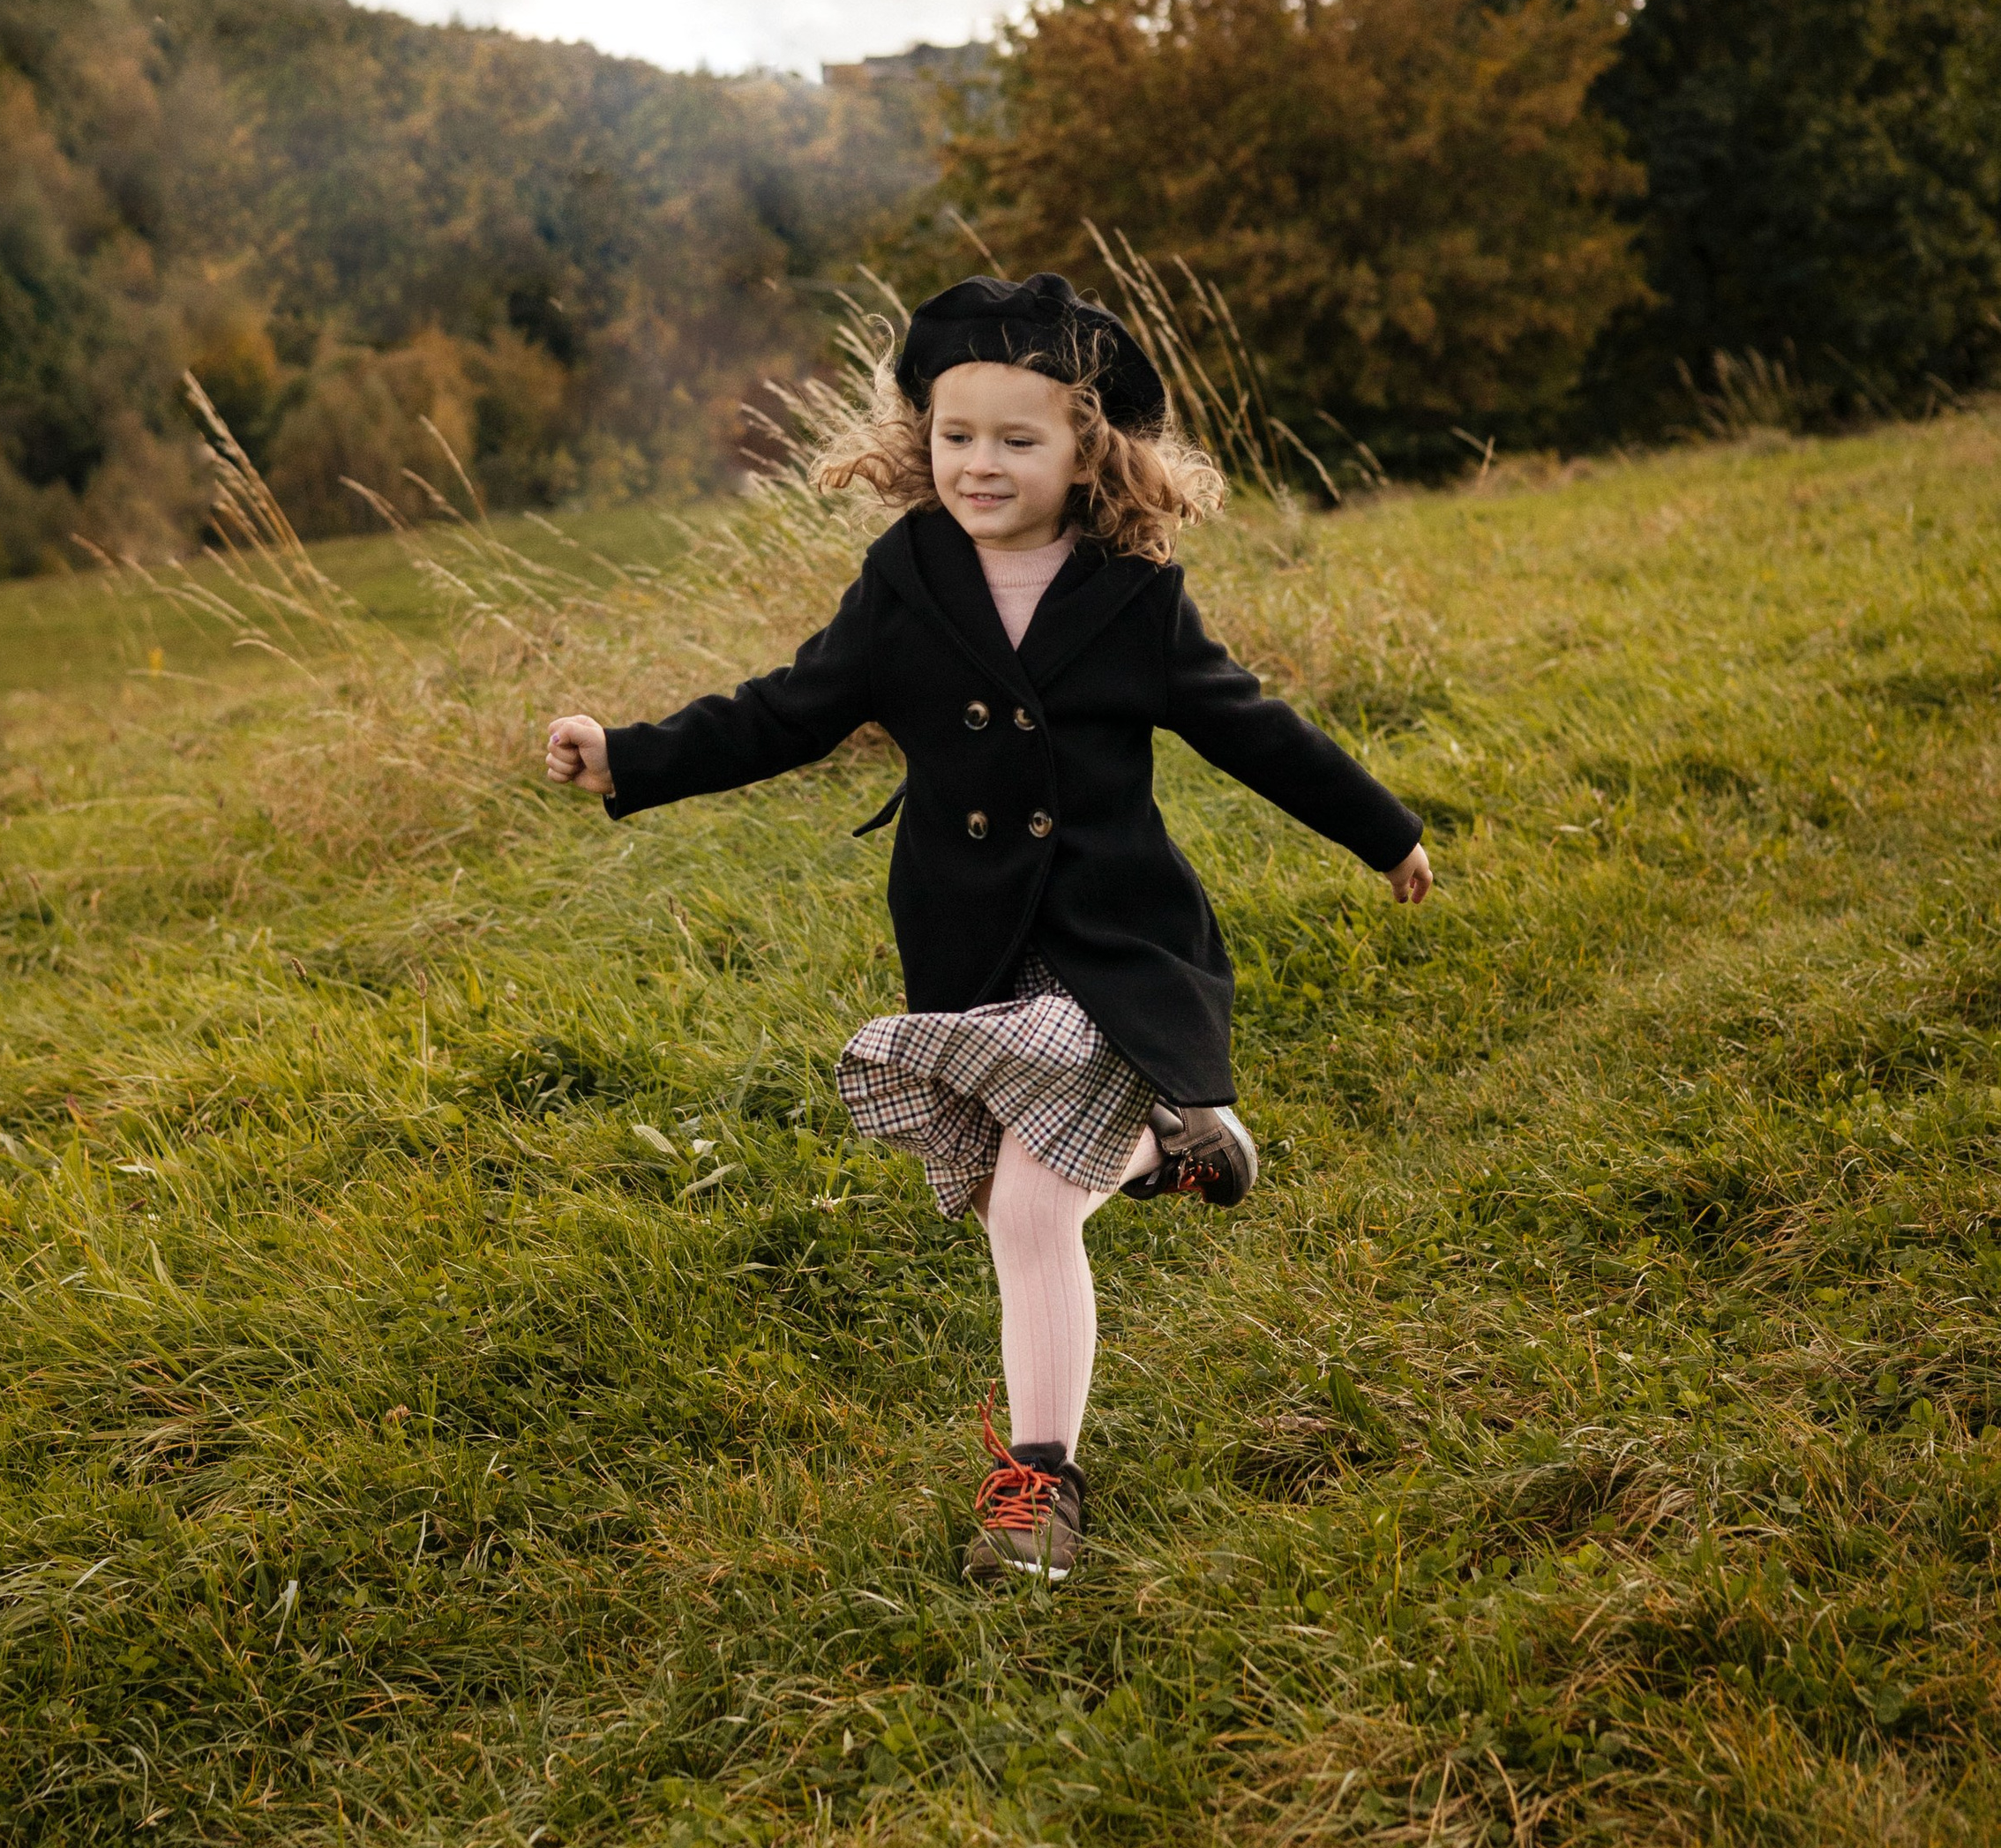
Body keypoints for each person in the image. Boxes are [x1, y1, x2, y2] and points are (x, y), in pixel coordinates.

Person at [546, 272, 1433, 1587]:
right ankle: (1173, 1151)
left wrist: (1383, 827)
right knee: (1034, 1191)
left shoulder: (1131, 590)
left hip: (1117, 947)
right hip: (974, 952)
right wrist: (629, 755)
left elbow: (1251, 727)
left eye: (1019, 439)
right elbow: (788, 710)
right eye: (956, 435)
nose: (980, 463)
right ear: (923, 439)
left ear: (1088, 450)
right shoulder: (906, 577)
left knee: (1027, 1208)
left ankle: (1040, 1487)